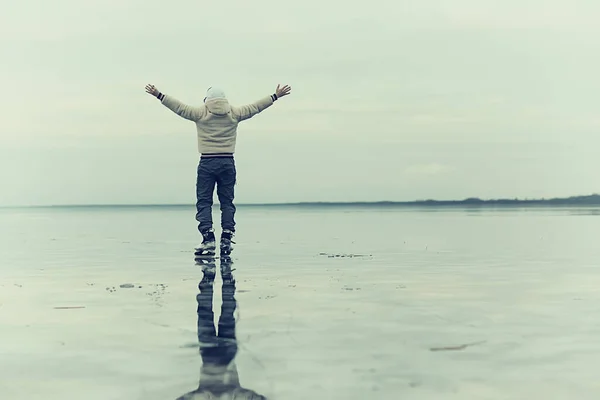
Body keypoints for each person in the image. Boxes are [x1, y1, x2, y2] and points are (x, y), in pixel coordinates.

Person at [145, 83, 292, 256]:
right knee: (227, 202)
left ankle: (208, 239)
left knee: (204, 202)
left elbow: (179, 108)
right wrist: (274, 96)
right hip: (227, 162)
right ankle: (226, 239)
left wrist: (159, 95)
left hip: (207, 163)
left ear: (207, 100)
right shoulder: (234, 113)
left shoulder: (200, 113)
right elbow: (255, 107)